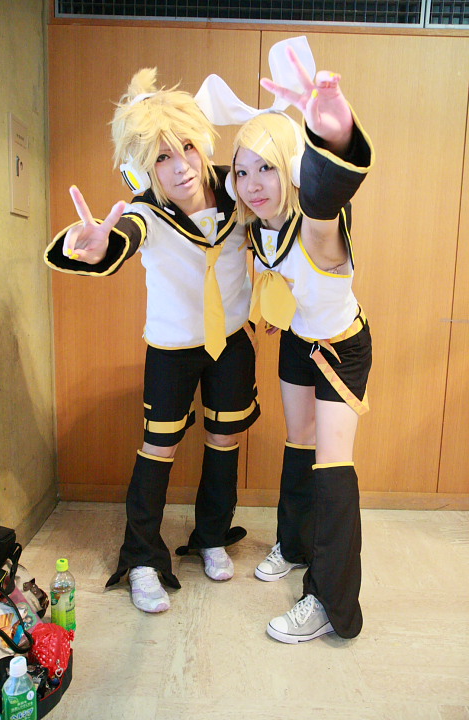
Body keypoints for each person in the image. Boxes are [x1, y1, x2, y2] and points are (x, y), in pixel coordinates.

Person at [44, 67, 260, 614]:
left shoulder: (238, 189)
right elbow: (121, 238)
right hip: (172, 349)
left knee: (224, 442)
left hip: (231, 342)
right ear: (144, 165)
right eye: (162, 157)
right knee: (158, 449)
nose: (180, 166)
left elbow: (280, 219)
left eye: (185, 147)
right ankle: (142, 558)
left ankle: (211, 535)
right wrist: (95, 245)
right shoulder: (145, 210)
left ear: (201, 141)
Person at [229, 46, 374, 643]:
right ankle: (292, 545)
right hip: (296, 340)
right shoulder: (256, 226)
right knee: (298, 443)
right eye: (242, 171)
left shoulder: (315, 225)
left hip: (340, 348)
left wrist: (329, 135)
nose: (253, 184)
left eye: (266, 168)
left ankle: (330, 602)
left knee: (332, 468)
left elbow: (323, 198)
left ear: (290, 166)